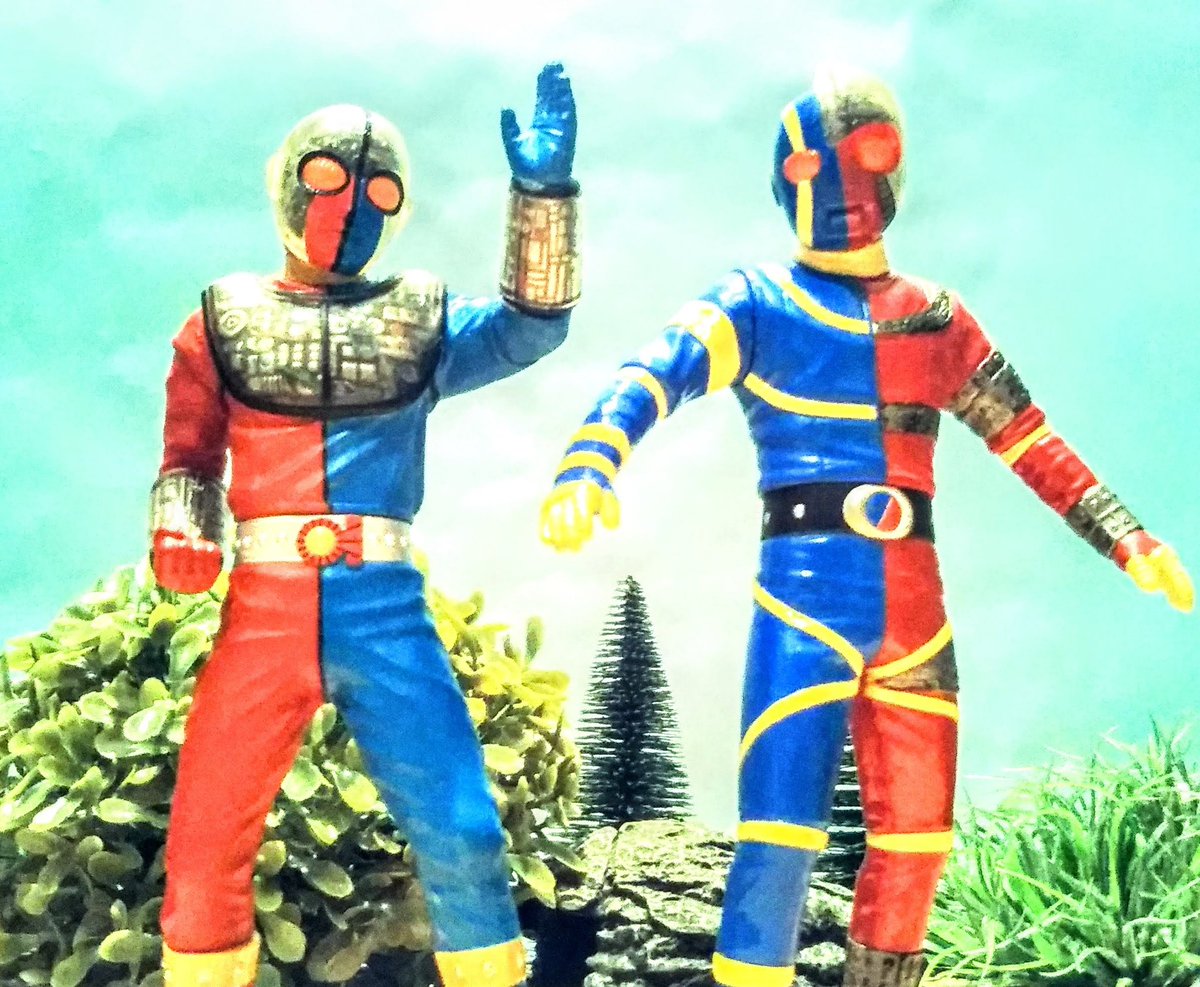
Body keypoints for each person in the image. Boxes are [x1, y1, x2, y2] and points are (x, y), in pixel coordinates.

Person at [539, 65, 1191, 987]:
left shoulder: (937, 320)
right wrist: (592, 456)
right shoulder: (757, 304)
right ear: (783, 181)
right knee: (779, 836)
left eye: (866, 153)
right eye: (809, 165)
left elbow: (1029, 437)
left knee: (918, 841)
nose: (841, 181)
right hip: (803, 606)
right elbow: (654, 371)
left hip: (914, 616)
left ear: (897, 167)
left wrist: (1126, 535)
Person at [149, 64, 580, 987]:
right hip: (263, 608)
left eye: (378, 192)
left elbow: (530, 327)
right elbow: (188, 458)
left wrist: (543, 200)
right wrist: (182, 528)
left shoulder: (416, 319)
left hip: (382, 606)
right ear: (287, 182)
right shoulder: (219, 321)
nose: (350, 208)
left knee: (462, 827)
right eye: (328, 180)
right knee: (206, 835)